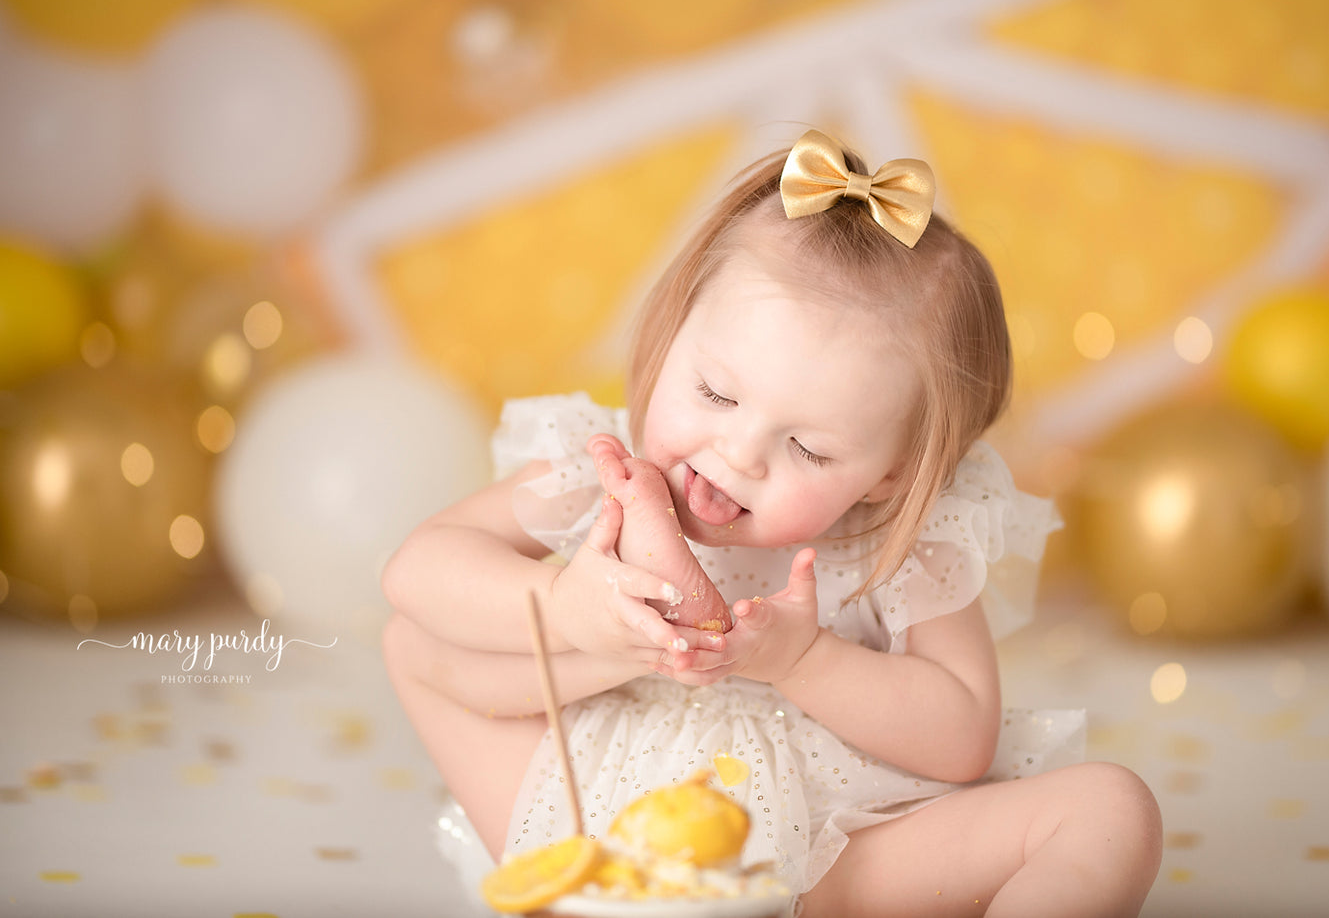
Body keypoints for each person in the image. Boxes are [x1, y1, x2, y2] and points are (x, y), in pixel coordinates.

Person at [382, 129, 1163, 916]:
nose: (738, 454)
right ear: (672, 327)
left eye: (807, 448)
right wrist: (584, 624)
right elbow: (416, 571)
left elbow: (963, 741)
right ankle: (602, 885)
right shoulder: (599, 467)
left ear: (887, 474)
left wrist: (802, 660)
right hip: (604, 834)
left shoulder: (896, 538)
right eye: (716, 395)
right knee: (413, 639)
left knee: (1108, 808)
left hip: (831, 860)